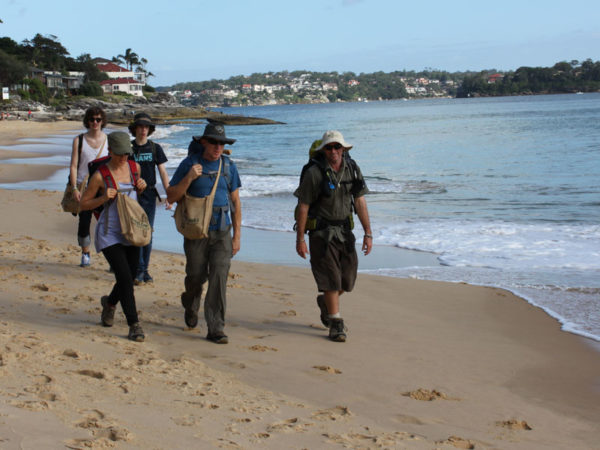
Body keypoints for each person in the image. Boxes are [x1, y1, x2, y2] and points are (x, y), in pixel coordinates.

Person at [166, 122, 242, 344]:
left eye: (222, 143)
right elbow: (171, 196)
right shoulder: (189, 164)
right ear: (204, 142)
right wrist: (189, 178)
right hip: (196, 232)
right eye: (214, 142)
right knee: (196, 277)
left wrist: (237, 236)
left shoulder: (229, 166)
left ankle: (216, 328)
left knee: (219, 278)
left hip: (222, 231)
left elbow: (236, 202)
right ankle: (190, 302)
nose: (218, 147)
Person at [294, 130, 373, 342]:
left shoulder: (353, 169)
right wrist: (300, 239)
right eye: (329, 147)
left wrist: (368, 233)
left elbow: (360, 202)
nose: (333, 151)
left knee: (347, 281)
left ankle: (326, 303)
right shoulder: (314, 173)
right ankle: (336, 323)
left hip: (345, 233)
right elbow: (303, 205)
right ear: (323, 150)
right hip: (321, 233)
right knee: (331, 279)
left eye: (337, 147)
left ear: (343, 149)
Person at [79, 131, 148, 342]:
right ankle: (134, 324)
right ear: (110, 152)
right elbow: (83, 204)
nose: (123, 158)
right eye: (119, 154)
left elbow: (136, 197)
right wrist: (102, 198)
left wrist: (142, 186)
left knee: (129, 275)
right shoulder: (100, 175)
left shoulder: (135, 168)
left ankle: (109, 303)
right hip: (109, 234)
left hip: (132, 230)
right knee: (126, 279)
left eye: (126, 154)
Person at [128, 112, 171, 285]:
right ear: (135, 129)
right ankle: (138, 269)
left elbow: (162, 172)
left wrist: (170, 195)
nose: (143, 130)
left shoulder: (155, 148)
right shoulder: (129, 148)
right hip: (132, 195)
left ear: (150, 129)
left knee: (148, 233)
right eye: (140, 126)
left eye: (146, 127)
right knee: (136, 232)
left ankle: (144, 269)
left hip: (149, 196)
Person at [69, 107, 109, 267]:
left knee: (107, 224)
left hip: (103, 188)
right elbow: (73, 166)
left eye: (98, 119)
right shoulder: (79, 140)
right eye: (92, 119)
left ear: (102, 121)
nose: (95, 122)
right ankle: (85, 253)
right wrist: (74, 188)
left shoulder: (108, 140)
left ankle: (112, 258)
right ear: (87, 121)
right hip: (83, 186)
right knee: (84, 222)